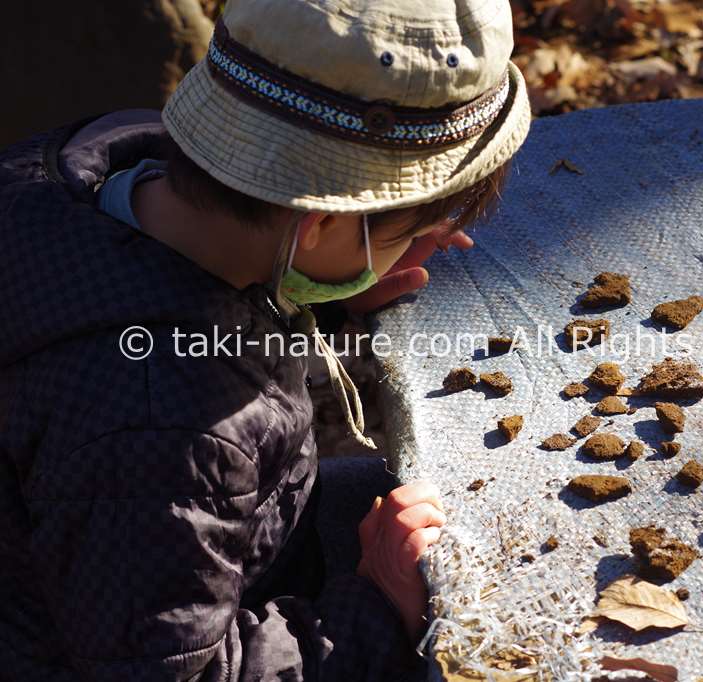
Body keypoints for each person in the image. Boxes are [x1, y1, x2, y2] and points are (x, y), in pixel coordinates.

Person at [0, 0, 531, 679]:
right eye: (408, 231)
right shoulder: (167, 423)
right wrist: (374, 608)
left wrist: (320, 289)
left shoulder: (96, 162)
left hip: (165, 554)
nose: (424, 248)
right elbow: (171, 670)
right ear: (320, 222)